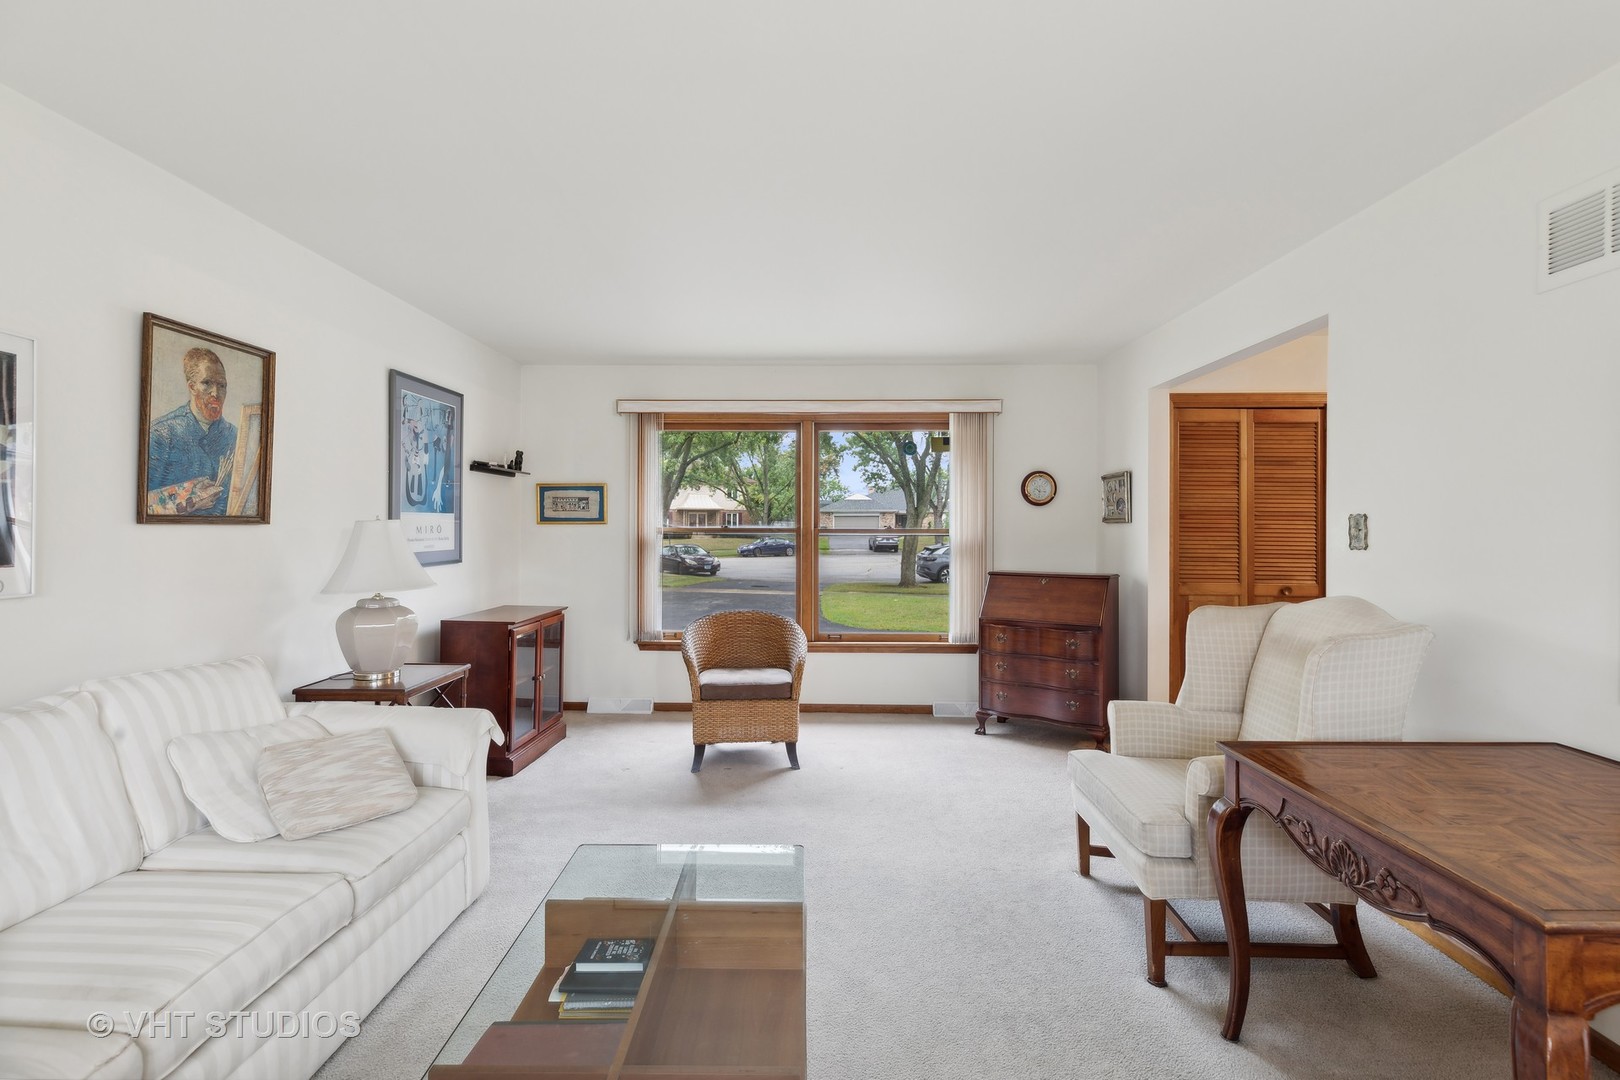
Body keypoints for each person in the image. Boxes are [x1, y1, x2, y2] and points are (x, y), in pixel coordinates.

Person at [146, 347, 236, 516]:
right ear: (192, 386)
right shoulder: (161, 434)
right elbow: (141, 503)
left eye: (222, 385)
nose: (216, 393)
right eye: (207, 383)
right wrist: (191, 498)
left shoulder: (235, 436)